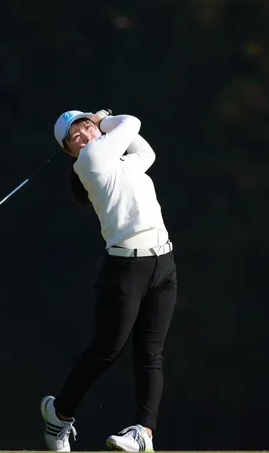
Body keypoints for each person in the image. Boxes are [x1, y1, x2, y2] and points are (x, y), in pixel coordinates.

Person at [40, 109, 178, 452]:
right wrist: (100, 119)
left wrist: (98, 123)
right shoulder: (90, 162)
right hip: (126, 270)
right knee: (107, 349)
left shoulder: (122, 163)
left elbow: (146, 152)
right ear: (70, 152)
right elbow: (132, 123)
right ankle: (59, 415)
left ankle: (143, 434)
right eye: (75, 137)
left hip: (164, 265)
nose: (85, 136)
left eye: (86, 128)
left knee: (151, 354)